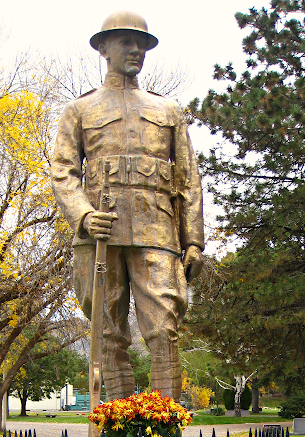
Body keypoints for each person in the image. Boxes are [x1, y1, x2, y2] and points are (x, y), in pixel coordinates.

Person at [51, 11, 204, 401]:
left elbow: (188, 179)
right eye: (125, 42)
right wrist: (83, 216)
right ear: (103, 48)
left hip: (158, 230)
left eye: (142, 44)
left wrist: (194, 241)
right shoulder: (80, 110)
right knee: (106, 331)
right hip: (100, 234)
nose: (136, 50)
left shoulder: (168, 110)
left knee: (164, 331)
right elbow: (64, 171)